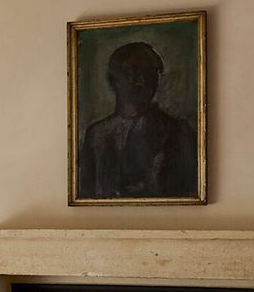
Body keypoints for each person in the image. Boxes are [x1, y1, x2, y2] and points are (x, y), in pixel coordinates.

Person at [78, 40, 197, 199]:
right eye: (131, 73)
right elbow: (85, 192)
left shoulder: (178, 131)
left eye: (149, 73)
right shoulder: (96, 134)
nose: (141, 81)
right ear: (114, 81)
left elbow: (189, 191)